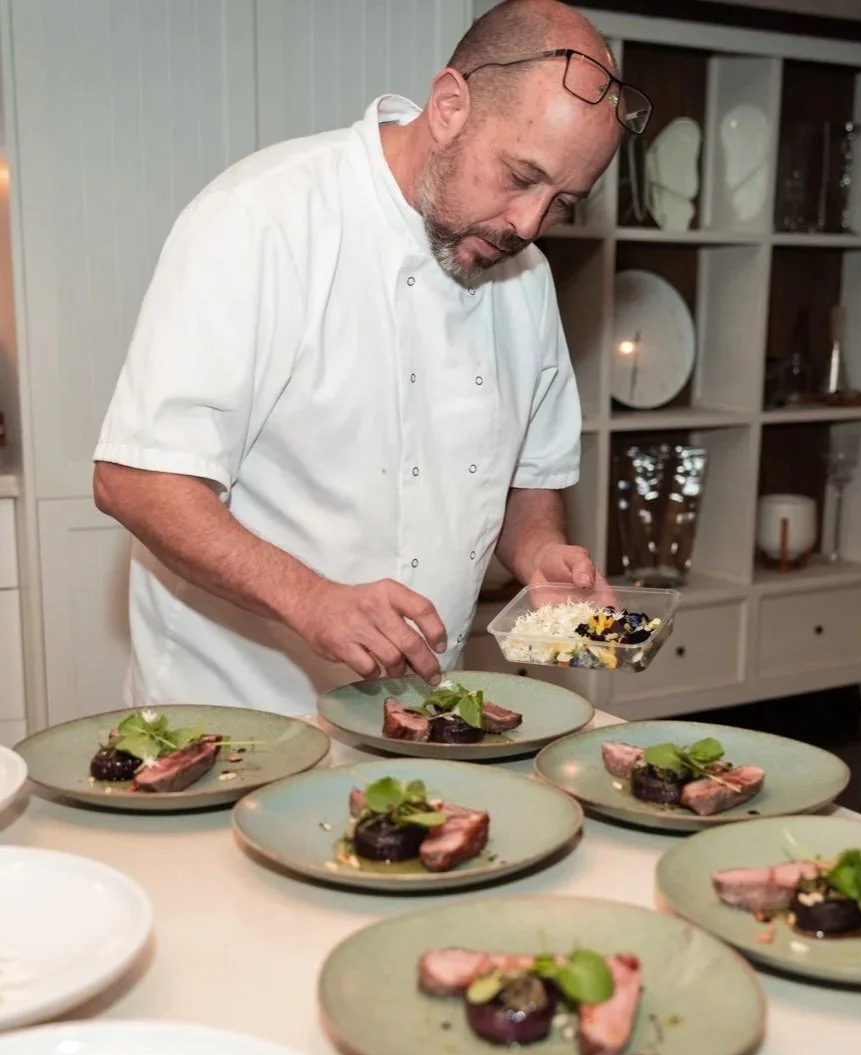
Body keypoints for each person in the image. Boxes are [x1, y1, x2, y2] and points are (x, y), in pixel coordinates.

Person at [92, 0, 651, 715]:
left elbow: (523, 479)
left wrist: (540, 556)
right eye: (519, 177)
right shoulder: (265, 218)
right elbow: (136, 479)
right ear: (450, 104)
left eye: (562, 201)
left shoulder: (527, 278)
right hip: (236, 715)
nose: (528, 224)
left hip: (418, 714)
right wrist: (311, 599)